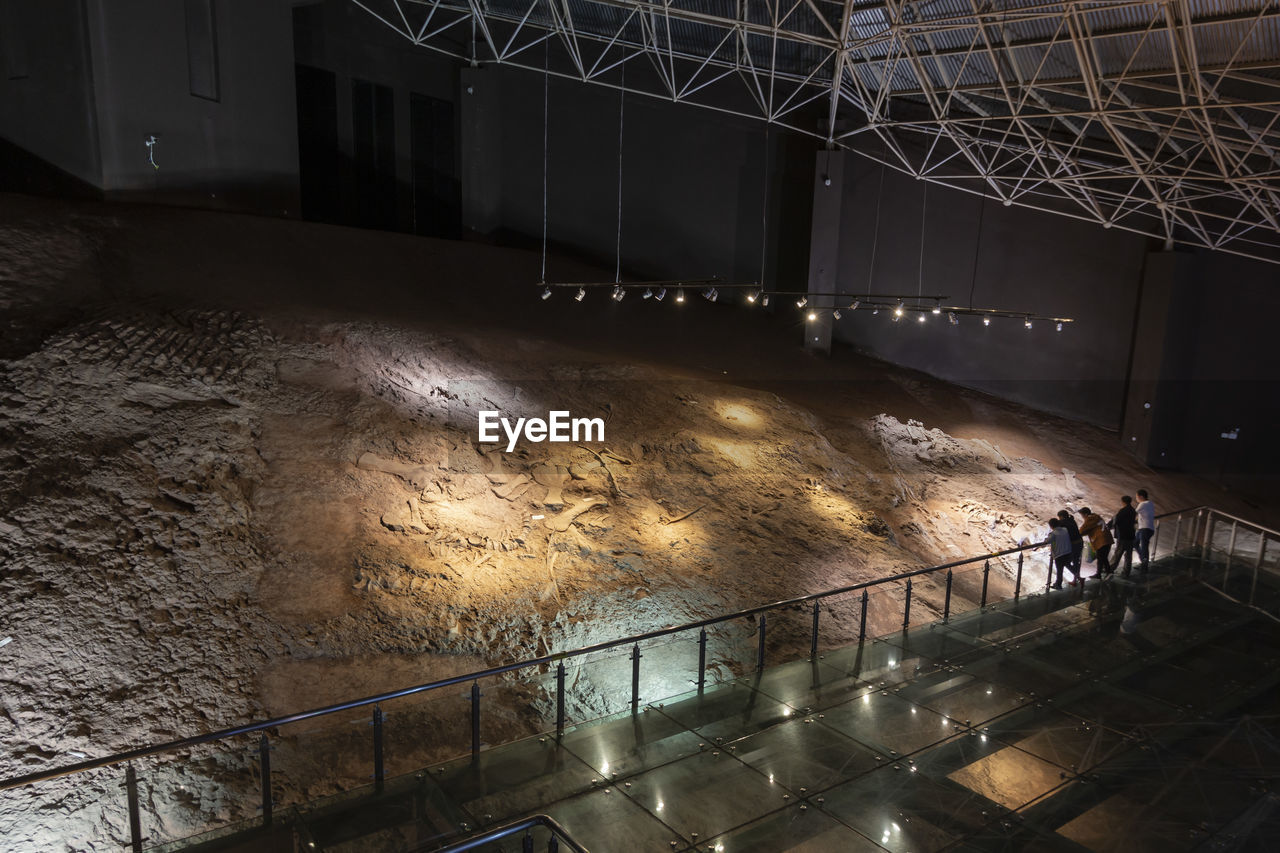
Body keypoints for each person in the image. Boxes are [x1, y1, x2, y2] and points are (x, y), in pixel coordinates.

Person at [1078, 507, 1114, 577]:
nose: (1082, 517)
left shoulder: (1090, 519)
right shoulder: (1096, 517)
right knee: (1103, 557)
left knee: (1101, 557)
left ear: (1085, 514)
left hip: (1102, 541)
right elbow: (1088, 530)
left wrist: (1076, 535)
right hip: (1107, 539)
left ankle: (1099, 574)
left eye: (1082, 515)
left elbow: (1082, 530)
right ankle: (1108, 571)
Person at [1046, 517, 1078, 589]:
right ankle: (1078, 576)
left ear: (1051, 526)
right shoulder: (1065, 530)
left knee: (1059, 570)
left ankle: (1058, 584)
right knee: (1068, 565)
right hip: (1068, 552)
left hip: (1059, 554)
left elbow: (1047, 541)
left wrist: (1048, 537)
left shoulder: (1053, 534)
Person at [1112, 495, 1138, 576]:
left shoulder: (1123, 510)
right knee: (1128, 555)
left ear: (1123, 502)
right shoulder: (1133, 510)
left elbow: (1116, 521)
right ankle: (1126, 571)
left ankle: (1110, 569)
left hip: (1123, 535)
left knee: (1118, 553)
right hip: (1131, 535)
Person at [1057, 509, 1083, 578]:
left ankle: (1077, 577)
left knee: (1065, 562)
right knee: (1076, 561)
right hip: (1079, 542)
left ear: (1061, 516)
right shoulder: (1072, 520)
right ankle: (1076, 579)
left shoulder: (1062, 522)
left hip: (1073, 544)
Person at [1135, 489, 1155, 573]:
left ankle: (1144, 565)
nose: (1136, 498)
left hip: (1144, 529)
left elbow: (1134, 513)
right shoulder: (1150, 503)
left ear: (1141, 496)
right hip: (1148, 528)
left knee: (1143, 547)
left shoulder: (1142, 504)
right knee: (1135, 543)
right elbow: (1143, 514)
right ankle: (1143, 561)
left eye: (1136, 497)